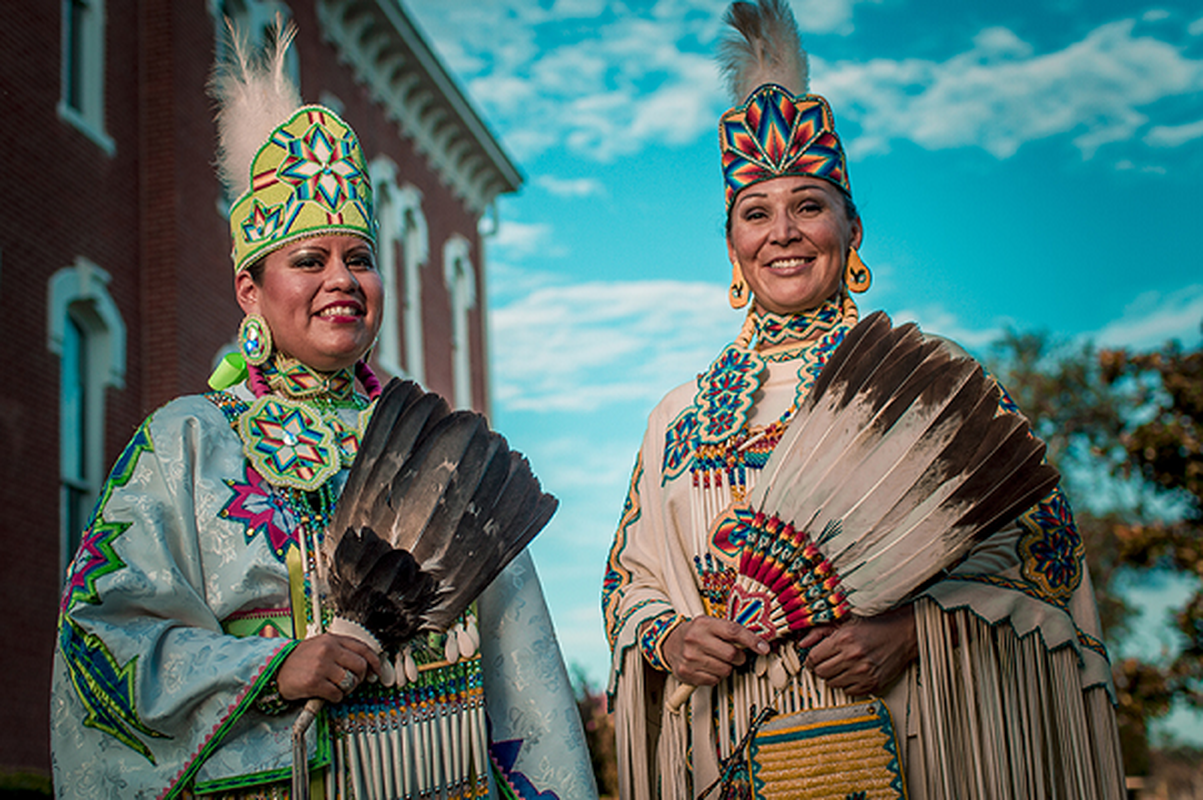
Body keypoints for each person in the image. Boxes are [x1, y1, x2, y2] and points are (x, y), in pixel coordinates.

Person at [51, 22, 596, 800]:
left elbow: (528, 695)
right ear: (251, 289)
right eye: (308, 261)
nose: (340, 279)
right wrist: (271, 670)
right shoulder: (185, 445)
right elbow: (99, 642)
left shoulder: (435, 455)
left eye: (360, 259)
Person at [601, 1, 1125, 797]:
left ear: (850, 227)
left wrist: (913, 630)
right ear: (733, 246)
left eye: (807, 205)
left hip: (912, 747)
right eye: (755, 213)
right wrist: (670, 638)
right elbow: (628, 582)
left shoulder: (930, 384)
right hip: (734, 755)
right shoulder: (678, 419)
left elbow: (1042, 566)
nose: (782, 231)